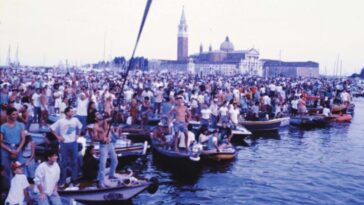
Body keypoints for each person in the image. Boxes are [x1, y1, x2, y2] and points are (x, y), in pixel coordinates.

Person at [49, 106, 82, 187]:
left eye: (72, 112)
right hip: (64, 144)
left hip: (73, 143)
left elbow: (80, 127)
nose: (72, 113)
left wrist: (78, 135)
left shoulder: (75, 120)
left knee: (75, 161)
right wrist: (58, 137)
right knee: (63, 162)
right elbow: (51, 128)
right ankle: (62, 180)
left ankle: (74, 179)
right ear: (66, 113)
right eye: (71, 112)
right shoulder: (61, 121)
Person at [0, 107, 26, 184]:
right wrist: (10, 150)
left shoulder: (20, 125)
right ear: (8, 115)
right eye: (13, 114)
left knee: (19, 168)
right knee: (6, 169)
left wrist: (18, 149)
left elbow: (23, 139)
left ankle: (19, 188)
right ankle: (8, 188)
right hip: (6, 148)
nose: (15, 116)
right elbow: (0, 142)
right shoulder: (3, 127)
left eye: (16, 114)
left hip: (18, 147)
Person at [93, 112, 118, 188]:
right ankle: (100, 182)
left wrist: (115, 111)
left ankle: (111, 175)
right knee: (102, 164)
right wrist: (101, 139)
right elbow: (95, 138)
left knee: (115, 160)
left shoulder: (106, 122)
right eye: (97, 115)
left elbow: (111, 118)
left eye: (99, 114)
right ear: (96, 119)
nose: (99, 115)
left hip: (110, 144)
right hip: (103, 146)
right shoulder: (96, 126)